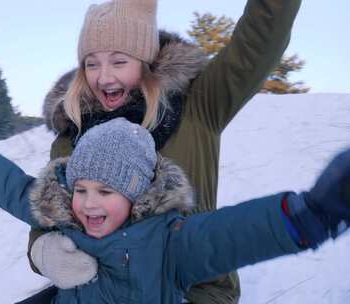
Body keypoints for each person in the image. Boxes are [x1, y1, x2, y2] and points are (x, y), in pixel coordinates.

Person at [27, 0, 302, 302]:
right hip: (100, 291)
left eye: (119, 61)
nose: (103, 77)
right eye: (91, 64)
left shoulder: (198, 104)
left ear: (146, 62)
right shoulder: (72, 133)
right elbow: (50, 216)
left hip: (190, 291)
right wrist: (44, 251)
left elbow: (261, 38)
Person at [0, 108, 350, 304]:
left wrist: (308, 217)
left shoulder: (168, 243)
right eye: (80, 188)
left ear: (137, 195)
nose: (88, 203)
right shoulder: (67, 216)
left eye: (106, 191)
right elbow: (15, 190)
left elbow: (230, 236)